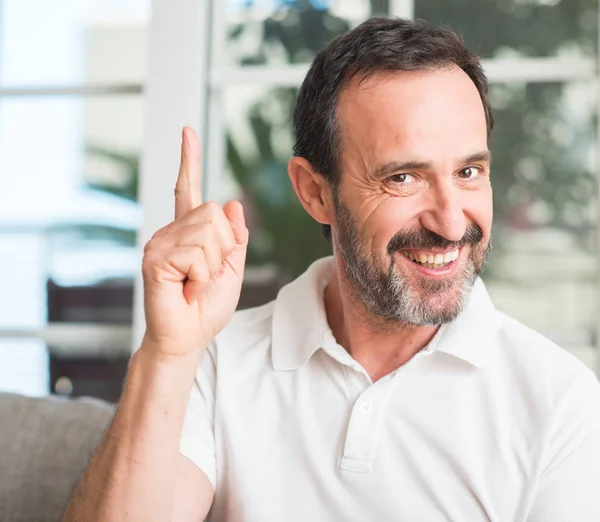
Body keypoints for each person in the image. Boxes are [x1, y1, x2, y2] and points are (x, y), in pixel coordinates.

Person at [63, 17, 600, 522]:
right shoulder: (214, 364)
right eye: (403, 178)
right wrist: (168, 354)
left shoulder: (560, 404)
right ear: (315, 192)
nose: (451, 221)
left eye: (468, 171)